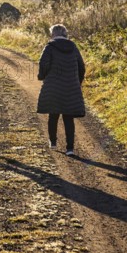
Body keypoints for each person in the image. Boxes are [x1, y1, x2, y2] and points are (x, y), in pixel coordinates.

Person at [37, 24, 85, 156]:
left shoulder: (50, 47)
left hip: (53, 87)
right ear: (65, 34)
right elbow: (81, 66)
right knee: (68, 118)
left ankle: (53, 142)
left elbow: (43, 64)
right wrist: (77, 82)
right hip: (71, 86)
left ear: (53, 34)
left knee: (53, 115)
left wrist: (42, 76)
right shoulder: (73, 47)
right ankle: (70, 148)